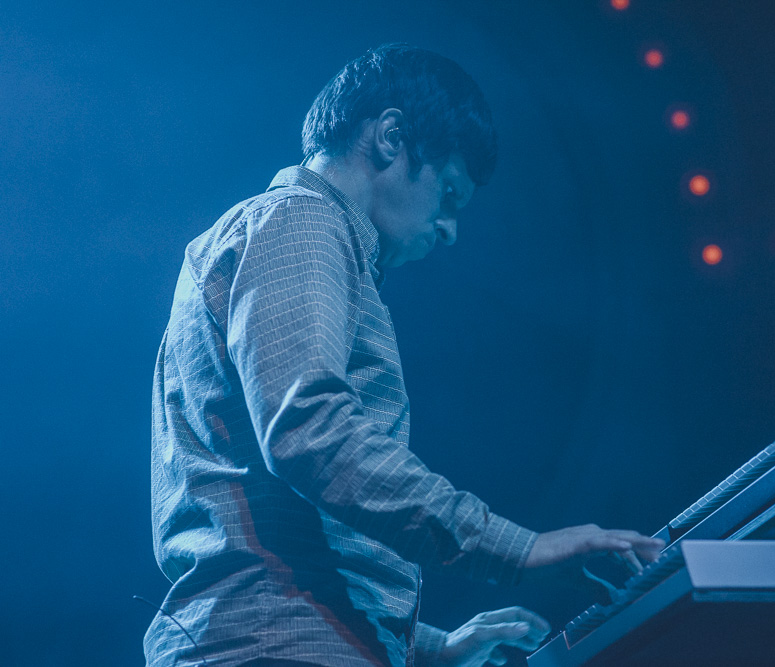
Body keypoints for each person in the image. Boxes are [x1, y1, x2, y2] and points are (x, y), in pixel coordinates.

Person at [146, 44, 663, 667]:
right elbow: (311, 432)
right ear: (391, 136)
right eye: (448, 193)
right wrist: (519, 549)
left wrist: (428, 647)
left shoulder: (293, 233)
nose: (449, 230)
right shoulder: (300, 221)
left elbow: (279, 532)